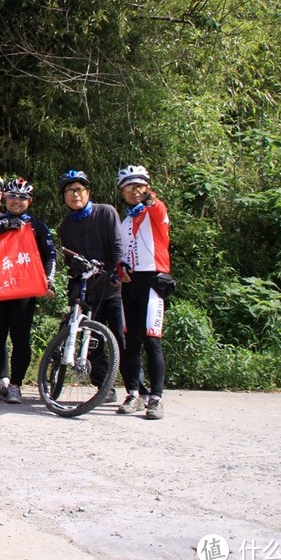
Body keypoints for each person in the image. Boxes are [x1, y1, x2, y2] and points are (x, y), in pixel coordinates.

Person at [0, 176, 56, 404]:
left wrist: (48, 281)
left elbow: (50, 255)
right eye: (12, 196)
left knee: (21, 338)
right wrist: (3, 226)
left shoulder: (37, 226)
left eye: (22, 198)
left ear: (29, 201)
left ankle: (16, 385)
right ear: (5, 198)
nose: (16, 201)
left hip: (23, 289)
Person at [57, 169, 125, 403]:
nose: (74, 195)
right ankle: (105, 387)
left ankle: (136, 390)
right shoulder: (66, 226)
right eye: (69, 191)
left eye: (79, 190)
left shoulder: (105, 212)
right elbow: (71, 261)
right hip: (88, 290)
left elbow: (117, 245)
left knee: (120, 339)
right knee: (92, 340)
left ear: (88, 192)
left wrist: (115, 272)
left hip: (112, 287)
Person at [115, 165, 171, 420]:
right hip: (130, 283)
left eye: (139, 186)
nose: (134, 191)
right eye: (129, 187)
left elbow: (156, 206)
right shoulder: (125, 220)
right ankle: (134, 393)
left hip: (153, 281)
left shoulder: (155, 212)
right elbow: (123, 253)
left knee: (152, 340)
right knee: (131, 341)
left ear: (147, 187)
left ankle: (156, 398)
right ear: (122, 192)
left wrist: (150, 199)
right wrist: (120, 268)